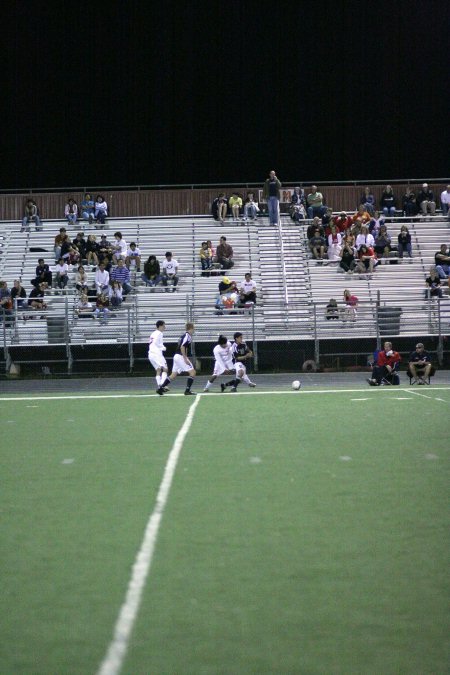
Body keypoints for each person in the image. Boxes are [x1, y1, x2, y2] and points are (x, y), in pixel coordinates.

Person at [165, 322, 197, 395]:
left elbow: (183, 347)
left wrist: (185, 356)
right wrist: (185, 358)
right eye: (193, 328)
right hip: (180, 356)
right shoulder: (188, 336)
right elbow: (182, 347)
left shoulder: (182, 336)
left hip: (176, 356)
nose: (194, 330)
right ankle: (187, 390)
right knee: (193, 372)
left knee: (173, 374)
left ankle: (161, 388)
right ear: (191, 328)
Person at [148, 320, 170, 395]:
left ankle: (159, 386)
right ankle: (162, 386)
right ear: (160, 326)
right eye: (164, 326)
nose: (165, 327)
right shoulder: (160, 333)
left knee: (158, 370)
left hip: (150, 354)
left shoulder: (153, 333)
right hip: (156, 353)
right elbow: (157, 343)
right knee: (165, 369)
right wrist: (163, 348)